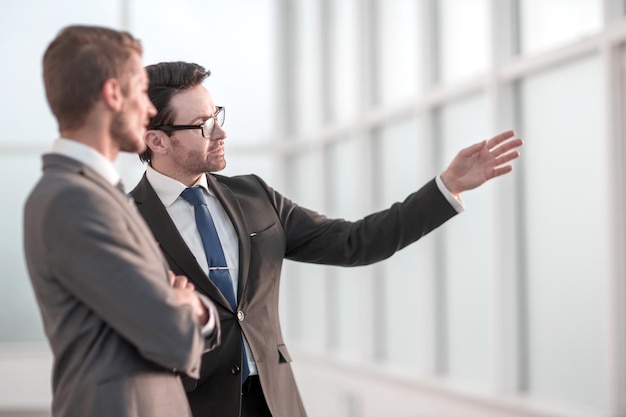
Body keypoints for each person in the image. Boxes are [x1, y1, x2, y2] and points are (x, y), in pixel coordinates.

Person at [130, 61, 523, 417]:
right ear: (157, 141)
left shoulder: (253, 196)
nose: (221, 132)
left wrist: (446, 187)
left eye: (216, 115)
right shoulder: (125, 221)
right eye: (203, 125)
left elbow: (355, 241)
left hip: (276, 402)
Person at [23, 28, 220, 417]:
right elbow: (171, 335)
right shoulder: (73, 199)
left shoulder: (94, 192)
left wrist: (179, 300)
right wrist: (194, 308)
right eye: (139, 91)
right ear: (113, 94)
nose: (149, 110)